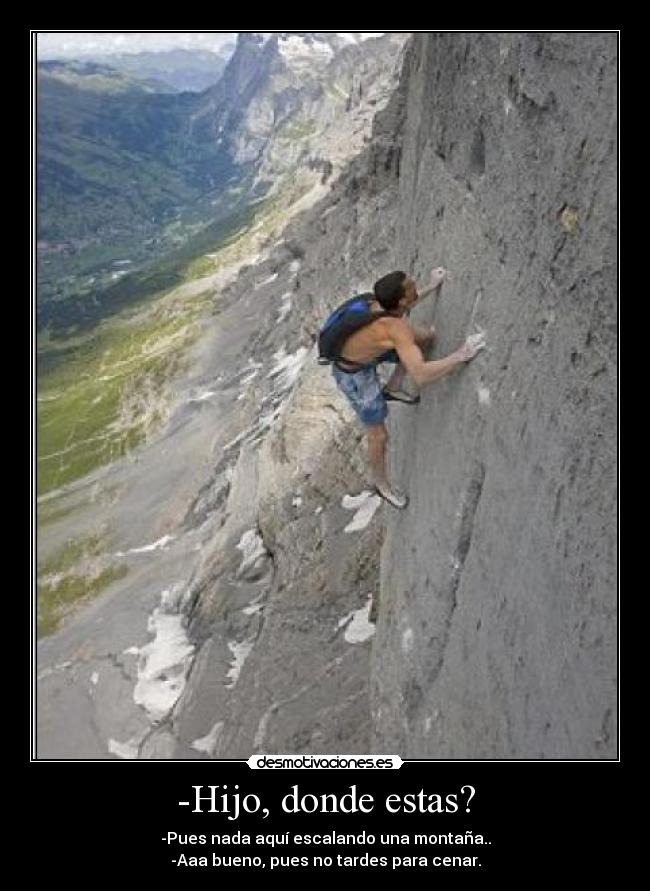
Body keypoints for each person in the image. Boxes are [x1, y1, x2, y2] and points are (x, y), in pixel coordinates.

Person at [328, 267, 485, 509]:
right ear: (401, 300)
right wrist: (460, 355)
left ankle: (393, 386)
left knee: (425, 338)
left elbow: (403, 305)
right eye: (412, 286)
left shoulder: (375, 302)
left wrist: (432, 285)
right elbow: (421, 375)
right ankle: (381, 485)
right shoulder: (394, 328)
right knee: (379, 436)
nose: (415, 285)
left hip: (366, 352)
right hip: (356, 377)